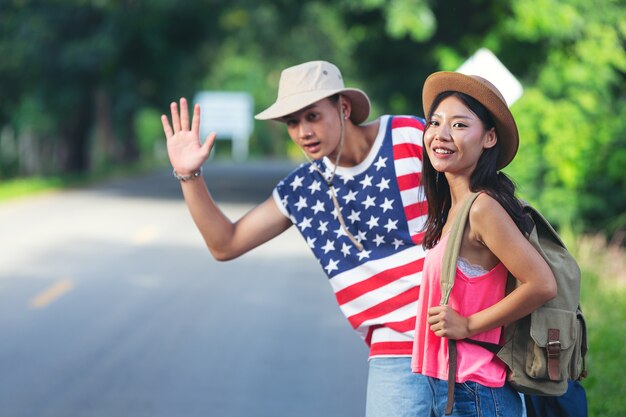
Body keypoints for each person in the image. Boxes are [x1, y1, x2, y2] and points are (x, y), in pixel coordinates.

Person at [161, 60, 431, 416]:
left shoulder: (410, 136)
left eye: (312, 116)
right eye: (292, 122)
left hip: (468, 328)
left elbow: (476, 206)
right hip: (395, 350)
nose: (303, 132)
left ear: (343, 107)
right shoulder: (301, 190)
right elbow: (224, 244)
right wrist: (189, 174)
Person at [410, 71, 558, 416]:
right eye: (435, 123)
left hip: (477, 391)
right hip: (452, 387)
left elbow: (542, 283)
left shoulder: (483, 208)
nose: (441, 135)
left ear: (489, 138)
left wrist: (468, 325)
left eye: (460, 125)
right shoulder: (455, 209)